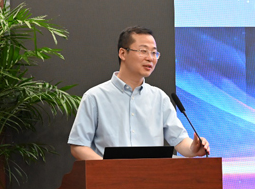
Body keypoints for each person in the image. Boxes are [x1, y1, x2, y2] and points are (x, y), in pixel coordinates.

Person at [68, 26, 210, 159]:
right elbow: (78, 146)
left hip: (151, 176)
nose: (150, 58)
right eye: (143, 51)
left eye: (154, 53)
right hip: (109, 177)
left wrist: (193, 148)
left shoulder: (159, 98)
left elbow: (179, 140)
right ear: (122, 53)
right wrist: (108, 169)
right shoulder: (95, 97)